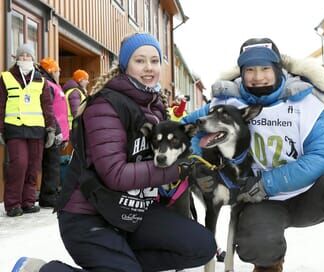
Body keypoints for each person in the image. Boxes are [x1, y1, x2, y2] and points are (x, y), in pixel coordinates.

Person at [11, 33, 216, 272]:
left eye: (154, 61)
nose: (149, 67)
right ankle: (38, 270)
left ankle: (120, 264)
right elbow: (115, 174)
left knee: (202, 245)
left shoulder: (156, 107)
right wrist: (173, 171)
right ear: (125, 65)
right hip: (88, 214)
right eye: (140, 61)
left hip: (132, 211)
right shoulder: (105, 105)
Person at [182, 38, 324, 272]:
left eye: (265, 69)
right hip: (258, 199)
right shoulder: (228, 102)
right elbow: (187, 128)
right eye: (250, 70)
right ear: (241, 73)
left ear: (277, 69)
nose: (258, 76)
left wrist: (269, 182)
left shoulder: (303, 101)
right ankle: (269, 264)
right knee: (257, 243)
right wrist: (199, 163)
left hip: (305, 193)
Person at [0, 43, 56, 217]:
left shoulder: (41, 80)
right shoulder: (6, 77)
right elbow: (1, 105)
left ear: (33, 59)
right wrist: (1, 129)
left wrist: (51, 128)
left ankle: (28, 201)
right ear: (16, 59)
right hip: (15, 128)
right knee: (19, 164)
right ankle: (13, 204)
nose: (25, 58)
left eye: (28, 56)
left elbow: (47, 106)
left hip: (36, 129)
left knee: (33, 166)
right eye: (21, 56)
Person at [38, 57, 70, 208]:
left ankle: (50, 193)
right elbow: (49, 110)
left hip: (58, 132)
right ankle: (49, 197)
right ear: (51, 71)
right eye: (57, 70)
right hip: (51, 132)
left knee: (54, 164)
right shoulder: (48, 85)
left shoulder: (53, 85)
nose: (59, 73)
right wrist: (56, 131)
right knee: (52, 164)